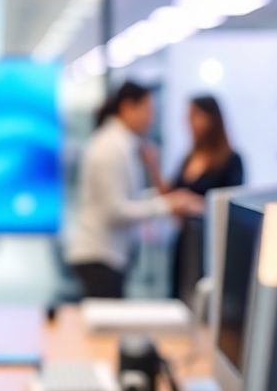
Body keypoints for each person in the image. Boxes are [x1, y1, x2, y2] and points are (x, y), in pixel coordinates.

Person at [65, 81, 203, 299]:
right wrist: (166, 205)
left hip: (109, 256)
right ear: (127, 107)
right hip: (100, 256)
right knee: (106, 320)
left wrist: (170, 200)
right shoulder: (110, 147)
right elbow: (115, 210)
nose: (150, 118)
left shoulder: (122, 145)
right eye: (147, 110)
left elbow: (128, 199)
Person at [144, 95, 244, 303]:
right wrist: (153, 167)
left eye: (194, 116)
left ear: (211, 119)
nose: (189, 122)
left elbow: (231, 209)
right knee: (179, 296)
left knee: (201, 299)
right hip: (185, 239)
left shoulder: (231, 161)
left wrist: (194, 203)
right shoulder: (188, 158)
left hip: (209, 242)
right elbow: (171, 194)